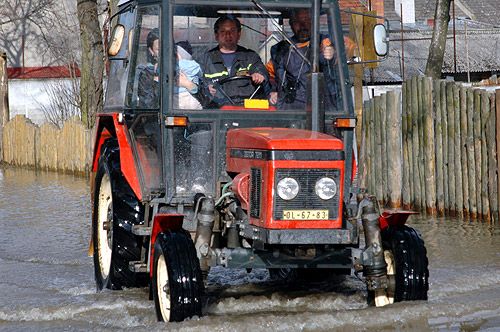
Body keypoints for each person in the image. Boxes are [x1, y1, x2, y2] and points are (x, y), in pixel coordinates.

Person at [267, 9, 355, 109]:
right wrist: (273, 91)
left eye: (306, 20)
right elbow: (271, 75)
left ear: (314, 23)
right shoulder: (280, 49)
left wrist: (334, 52)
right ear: (291, 24)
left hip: (323, 109)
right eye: (297, 22)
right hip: (289, 112)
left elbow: (348, 47)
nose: (303, 25)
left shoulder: (324, 41)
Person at [199, 15, 270, 107]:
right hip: (217, 111)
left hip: (247, 110)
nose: (228, 35)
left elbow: (262, 73)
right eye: (223, 31)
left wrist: (259, 75)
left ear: (239, 34)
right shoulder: (205, 59)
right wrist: (206, 88)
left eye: (232, 31)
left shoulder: (250, 57)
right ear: (216, 35)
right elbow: (197, 84)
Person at [175, 41, 203, 110]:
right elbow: (201, 74)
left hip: (176, 99)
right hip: (192, 99)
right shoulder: (194, 66)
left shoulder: (172, 66)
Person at [138, 28, 160, 108]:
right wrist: (156, 79)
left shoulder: (181, 68)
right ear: (151, 51)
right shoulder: (146, 75)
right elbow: (148, 105)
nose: (164, 52)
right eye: (159, 49)